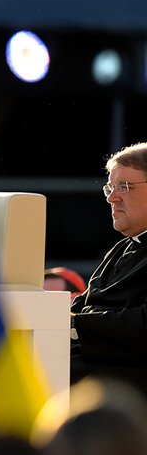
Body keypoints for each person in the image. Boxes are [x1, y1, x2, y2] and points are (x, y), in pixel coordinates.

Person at [70, 143, 147, 389]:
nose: (112, 198)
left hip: (126, 380)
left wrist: (74, 327)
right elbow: (82, 305)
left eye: (124, 186)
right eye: (110, 188)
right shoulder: (120, 249)